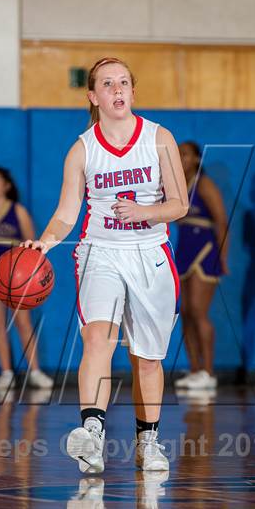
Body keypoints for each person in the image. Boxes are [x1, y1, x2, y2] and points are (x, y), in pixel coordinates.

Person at [22, 57, 188, 473]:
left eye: (124, 82)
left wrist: (144, 212)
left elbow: (180, 204)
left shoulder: (159, 138)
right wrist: (43, 243)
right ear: (93, 96)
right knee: (98, 339)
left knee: (148, 359)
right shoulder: (82, 148)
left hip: (150, 253)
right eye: (108, 83)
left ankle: (148, 442)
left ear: (133, 91)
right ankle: (92, 433)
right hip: (101, 251)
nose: (117, 89)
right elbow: (66, 211)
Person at [0, 167, 53, 390]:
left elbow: (31, 244)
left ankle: (35, 371)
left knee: (23, 324)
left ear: (6, 185)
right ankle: (6, 372)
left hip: (18, 278)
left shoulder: (18, 211)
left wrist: (17, 268)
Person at [174, 142, 229, 390]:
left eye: (184, 153)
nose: (180, 157)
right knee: (184, 311)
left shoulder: (204, 184)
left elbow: (221, 221)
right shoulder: (175, 186)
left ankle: (209, 371)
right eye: (177, 153)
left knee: (198, 309)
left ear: (196, 159)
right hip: (184, 249)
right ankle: (195, 370)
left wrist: (222, 256)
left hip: (204, 251)